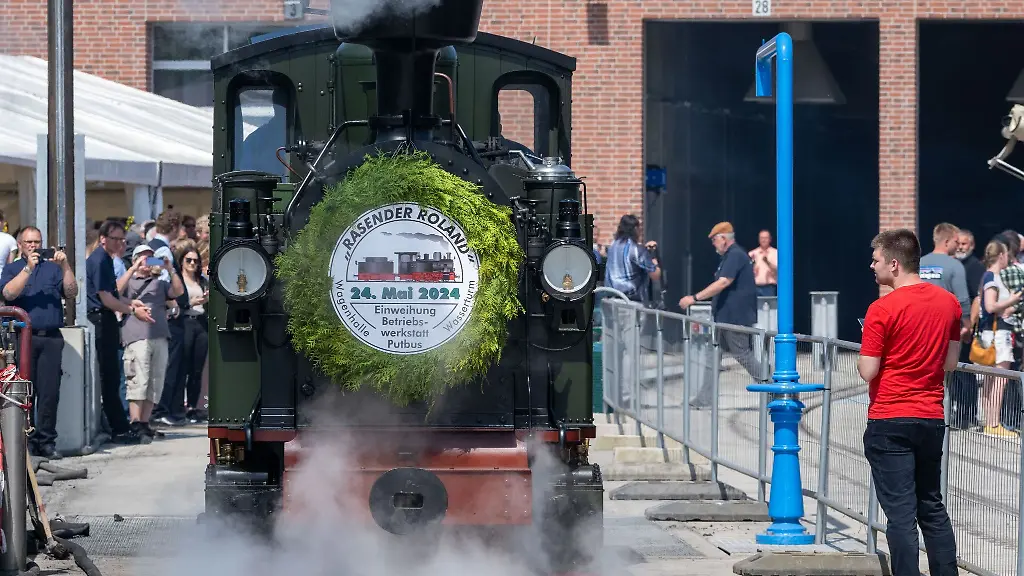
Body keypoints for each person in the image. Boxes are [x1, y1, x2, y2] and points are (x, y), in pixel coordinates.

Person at [857, 228, 959, 576]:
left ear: (895, 264)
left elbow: (867, 371)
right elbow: (949, 363)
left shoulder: (882, 308)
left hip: (889, 417)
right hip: (930, 416)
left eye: (876, 260)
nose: (872, 266)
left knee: (900, 515)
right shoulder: (949, 303)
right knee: (931, 506)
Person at [0, 227, 78, 458]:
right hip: (23, 338)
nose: (34, 246)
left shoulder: (53, 269)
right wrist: (28, 268)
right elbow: (8, 293)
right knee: (24, 391)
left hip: (51, 338)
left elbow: (72, 291)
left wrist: (65, 265)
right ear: (21, 244)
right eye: (29, 242)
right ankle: (27, 441)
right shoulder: (13, 268)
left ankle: (46, 442)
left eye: (37, 242)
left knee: (49, 392)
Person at [679, 222, 765, 409]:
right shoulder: (729, 257)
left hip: (735, 318)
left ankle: (774, 388)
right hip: (724, 317)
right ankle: (704, 399)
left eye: (715, 240)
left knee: (742, 354)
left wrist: (694, 298)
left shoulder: (735, 255)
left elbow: (723, 282)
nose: (713, 244)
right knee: (713, 356)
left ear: (724, 239)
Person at [86, 220, 152, 446]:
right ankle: (119, 428)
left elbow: (114, 294)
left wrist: (131, 303)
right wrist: (133, 310)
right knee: (110, 377)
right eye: (115, 239)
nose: (120, 243)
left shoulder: (106, 259)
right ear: (103, 238)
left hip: (107, 320)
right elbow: (105, 298)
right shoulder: (99, 259)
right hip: (101, 320)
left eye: (122, 239)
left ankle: (118, 425)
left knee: (112, 376)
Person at [121, 244, 184, 441]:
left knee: (154, 381)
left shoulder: (159, 283)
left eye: (150, 259)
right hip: (136, 335)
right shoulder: (129, 281)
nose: (147, 263)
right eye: (143, 258)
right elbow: (114, 290)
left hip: (159, 335)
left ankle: (145, 423)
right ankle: (135, 422)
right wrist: (133, 268)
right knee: (138, 379)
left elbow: (178, 292)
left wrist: (169, 268)